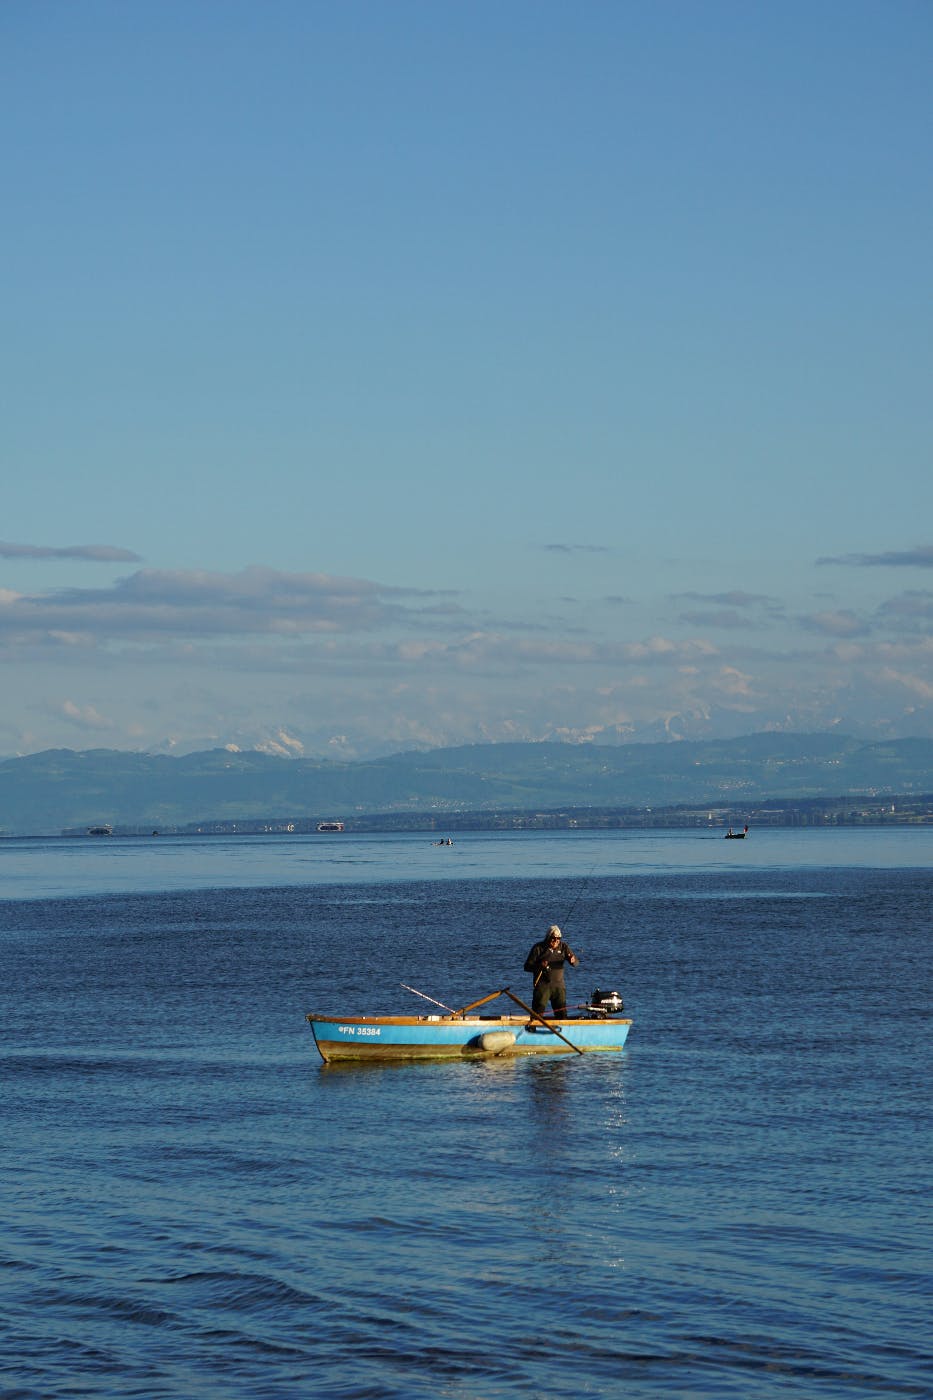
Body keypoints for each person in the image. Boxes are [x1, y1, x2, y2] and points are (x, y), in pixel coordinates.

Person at [524, 924, 578, 1017]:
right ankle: (533, 1028)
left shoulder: (563, 947)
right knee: (537, 1013)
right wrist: (539, 966)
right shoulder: (538, 948)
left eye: (558, 938)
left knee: (562, 1014)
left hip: (559, 987)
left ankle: (561, 1030)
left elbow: (576, 962)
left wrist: (573, 960)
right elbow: (527, 967)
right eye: (553, 938)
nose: (556, 941)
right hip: (542, 986)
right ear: (548, 937)